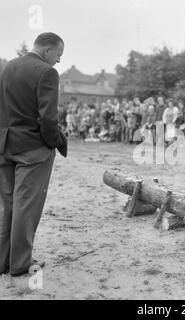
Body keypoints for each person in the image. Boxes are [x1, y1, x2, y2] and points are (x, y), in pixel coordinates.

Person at [0, 32, 67, 276]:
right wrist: (55, 142)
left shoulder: (7, 67)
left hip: (5, 145)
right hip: (32, 148)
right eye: (59, 54)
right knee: (26, 207)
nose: (59, 60)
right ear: (48, 50)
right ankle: (19, 263)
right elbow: (48, 119)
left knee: (6, 205)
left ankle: (2, 261)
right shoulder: (47, 72)